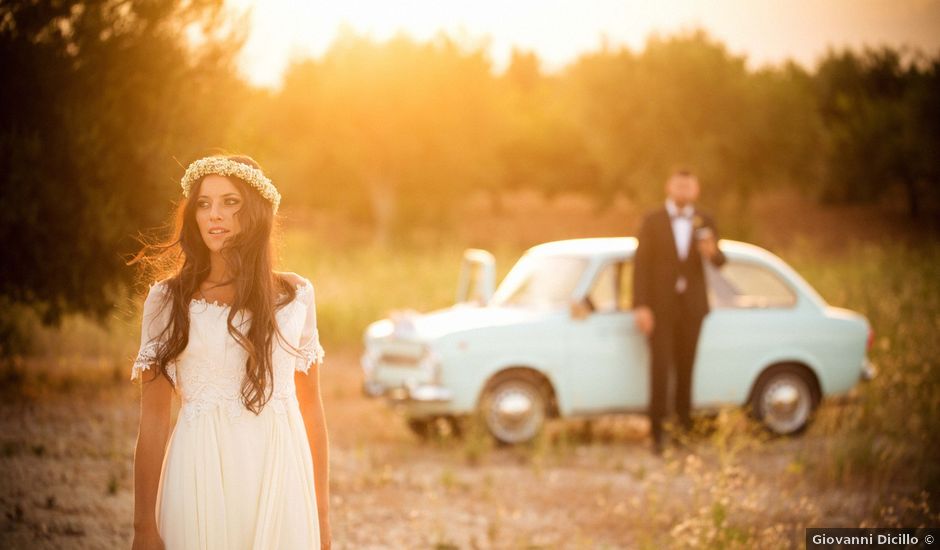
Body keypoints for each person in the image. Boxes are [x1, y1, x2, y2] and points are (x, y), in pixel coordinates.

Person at [128, 154, 331, 549]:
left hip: (279, 473)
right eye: (204, 204)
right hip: (200, 473)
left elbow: (313, 413)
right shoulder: (168, 300)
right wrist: (143, 528)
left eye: (229, 202)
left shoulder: (296, 297)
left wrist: (321, 517)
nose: (214, 215)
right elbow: (152, 421)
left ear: (255, 212)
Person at [632, 169, 726, 454]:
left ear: (695, 190)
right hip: (660, 308)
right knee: (660, 369)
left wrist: (711, 251)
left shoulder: (705, 220)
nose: (683, 190)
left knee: (687, 368)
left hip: (692, 309)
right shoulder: (652, 220)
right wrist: (641, 306)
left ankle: (684, 433)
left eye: (689, 186)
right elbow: (641, 265)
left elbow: (720, 261)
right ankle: (657, 434)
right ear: (669, 186)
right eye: (679, 185)